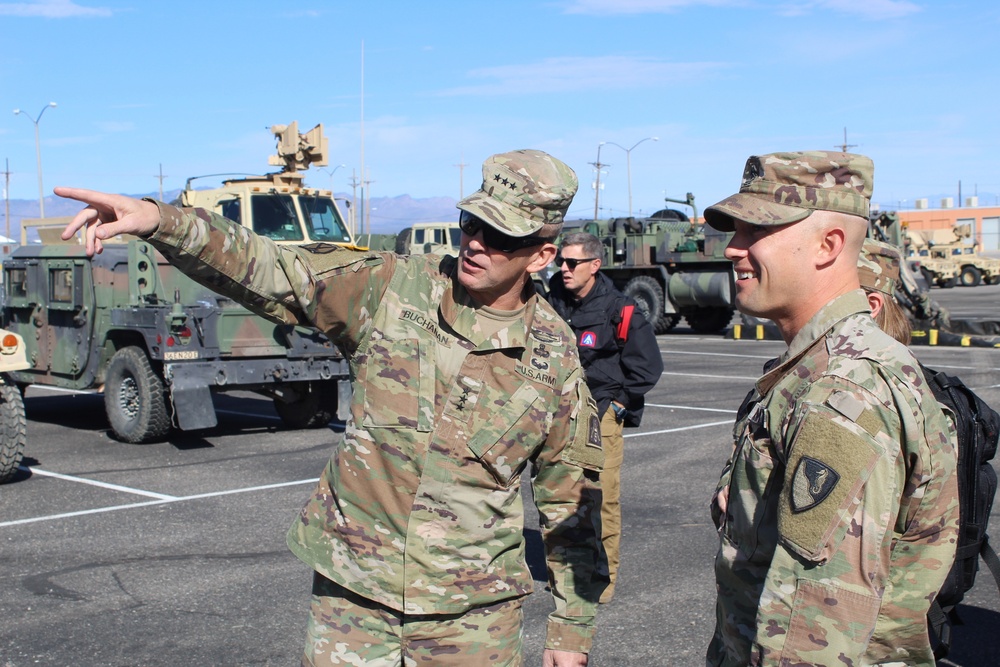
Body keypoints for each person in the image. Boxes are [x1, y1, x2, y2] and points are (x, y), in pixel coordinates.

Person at [55, 149, 606, 667]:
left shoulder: (552, 359)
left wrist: (571, 627)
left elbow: (571, 500)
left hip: (472, 619)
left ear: (542, 255)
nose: (476, 243)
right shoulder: (392, 290)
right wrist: (161, 220)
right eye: (471, 224)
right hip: (354, 599)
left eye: (500, 235)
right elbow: (272, 267)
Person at [704, 151, 959, 666]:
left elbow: (813, 627)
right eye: (735, 231)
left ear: (829, 245)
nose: (733, 249)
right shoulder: (818, 367)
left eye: (755, 231)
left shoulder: (843, 393)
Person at [546, 231, 663, 603]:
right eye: (560, 262)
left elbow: (647, 368)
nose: (563, 268)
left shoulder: (621, 308)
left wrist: (618, 405)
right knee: (557, 496)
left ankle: (603, 579)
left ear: (594, 266)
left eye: (572, 263)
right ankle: (562, 572)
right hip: (557, 413)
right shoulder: (551, 302)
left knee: (602, 498)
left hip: (601, 414)